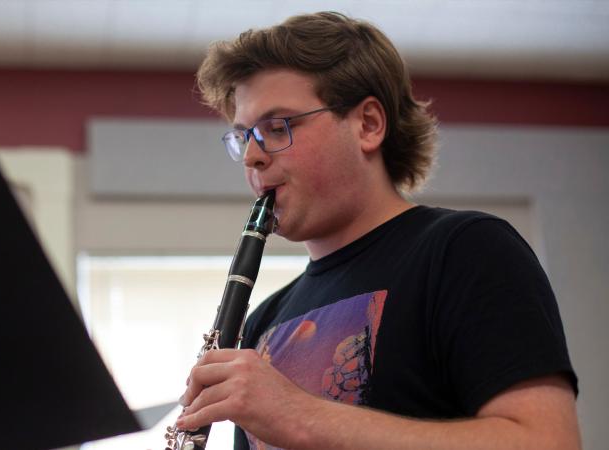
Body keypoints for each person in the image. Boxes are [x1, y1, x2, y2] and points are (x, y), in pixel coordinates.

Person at [176, 11, 580, 450]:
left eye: (277, 127)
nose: (253, 155)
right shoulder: (263, 322)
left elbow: (547, 441)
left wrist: (300, 416)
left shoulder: (467, 250)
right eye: (244, 136)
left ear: (368, 124)